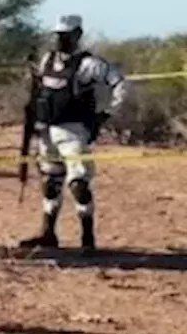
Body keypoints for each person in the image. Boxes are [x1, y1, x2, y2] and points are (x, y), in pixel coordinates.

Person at [19, 15, 130, 253]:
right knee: (51, 182)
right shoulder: (48, 59)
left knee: (78, 183)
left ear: (77, 35)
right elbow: (41, 90)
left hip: (74, 131)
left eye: (66, 36)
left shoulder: (89, 64)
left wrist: (106, 114)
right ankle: (48, 233)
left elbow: (120, 83)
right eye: (58, 36)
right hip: (47, 131)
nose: (61, 40)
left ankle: (87, 239)